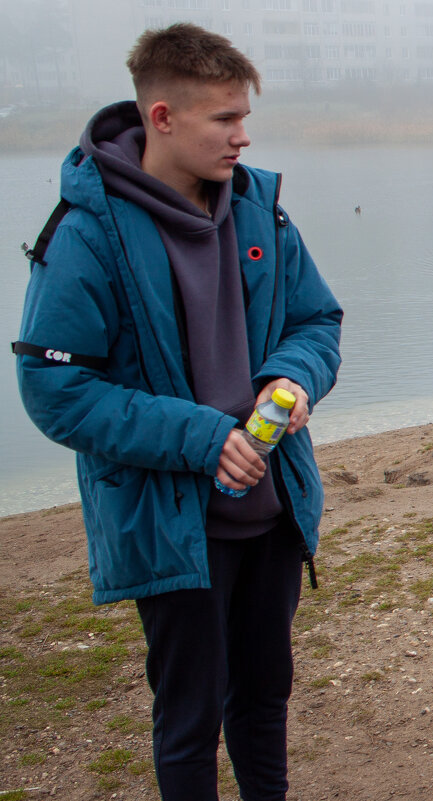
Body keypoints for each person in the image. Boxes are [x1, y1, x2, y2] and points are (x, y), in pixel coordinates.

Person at [13, 23, 342, 801]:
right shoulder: (85, 233)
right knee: (189, 719)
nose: (243, 135)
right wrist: (202, 439)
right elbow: (55, 389)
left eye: (243, 116)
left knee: (264, 700)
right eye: (224, 119)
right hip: (170, 521)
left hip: (273, 507)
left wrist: (290, 378)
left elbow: (316, 322)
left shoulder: (262, 209)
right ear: (162, 117)